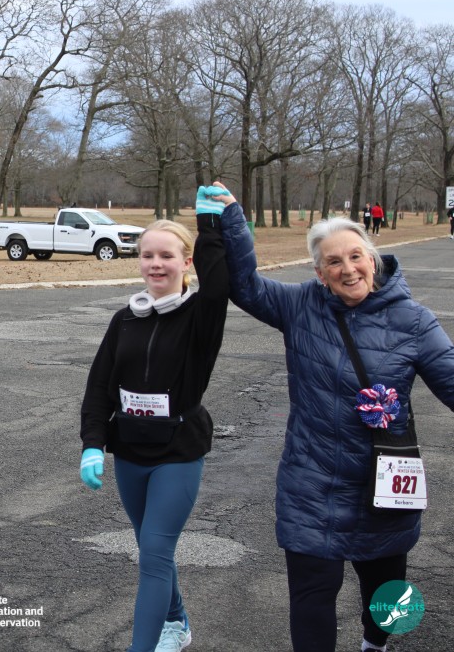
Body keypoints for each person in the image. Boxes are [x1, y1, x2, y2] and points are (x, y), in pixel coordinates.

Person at [217, 184, 454, 652]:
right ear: (319, 273)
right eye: (333, 262)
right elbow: (245, 286)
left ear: (373, 259)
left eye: (355, 256)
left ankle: (376, 644)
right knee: (311, 595)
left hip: (384, 485)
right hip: (312, 482)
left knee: (390, 598)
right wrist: (231, 219)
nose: (348, 269)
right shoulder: (299, 305)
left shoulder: (414, 321)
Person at [80, 185, 230, 652]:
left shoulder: (201, 316)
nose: (156, 264)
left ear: (186, 262)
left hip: (177, 453)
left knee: (156, 553)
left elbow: (218, 284)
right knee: (150, 547)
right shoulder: (125, 319)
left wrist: (209, 224)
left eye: (167, 255)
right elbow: (99, 387)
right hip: (130, 452)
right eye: (148, 255)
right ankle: (177, 621)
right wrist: (92, 443)